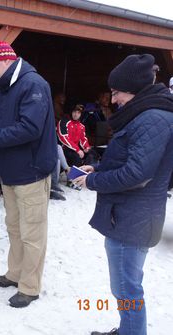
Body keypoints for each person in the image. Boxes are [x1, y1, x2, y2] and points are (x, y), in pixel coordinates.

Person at [74, 54, 173, 335]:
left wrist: (93, 180)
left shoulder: (152, 117)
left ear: (133, 89)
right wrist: (99, 166)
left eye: (116, 92)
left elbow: (137, 175)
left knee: (127, 287)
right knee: (125, 285)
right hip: (131, 215)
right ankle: (127, 329)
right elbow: (132, 159)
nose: (113, 99)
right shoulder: (146, 113)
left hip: (133, 219)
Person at [0, 41, 57, 308]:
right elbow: (1, 124)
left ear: (5, 60)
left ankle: (30, 287)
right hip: (10, 172)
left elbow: (29, 128)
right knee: (15, 228)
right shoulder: (6, 88)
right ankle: (15, 273)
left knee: (32, 232)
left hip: (31, 172)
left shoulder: (33, 85)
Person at [57, 103, 97, 168]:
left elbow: (83, 139)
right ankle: (75, 176)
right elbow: (63, 138)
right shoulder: (63, 122)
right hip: (65, 149)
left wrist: (86, 147)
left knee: (93, 153)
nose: (76, 114)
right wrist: (77, 150)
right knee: (76, 157)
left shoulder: (81, 126)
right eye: (74, 112)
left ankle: (87, 172)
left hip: (77, 149)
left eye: (78, 113)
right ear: (71, 112)